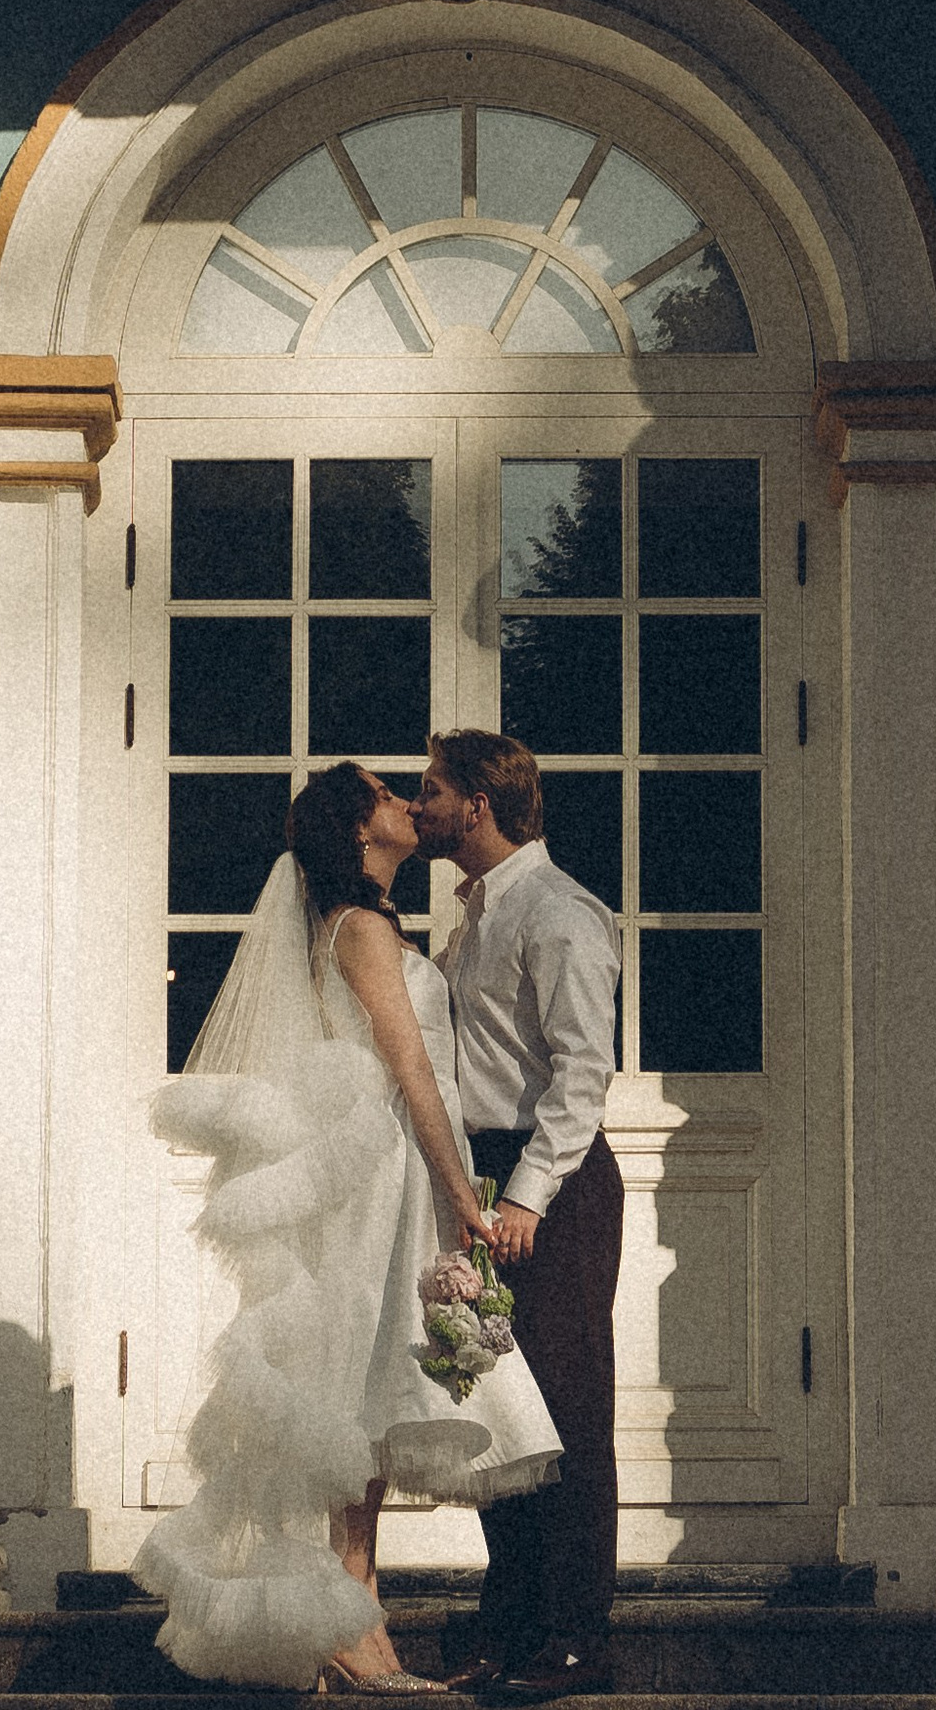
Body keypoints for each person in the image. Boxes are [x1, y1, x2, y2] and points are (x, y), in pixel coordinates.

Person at [137, 764, 560, 1693]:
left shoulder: (366, 926)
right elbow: (412, 1074)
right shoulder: (362, 930)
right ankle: (350, 1623)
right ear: (359, 830)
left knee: (365, 1403)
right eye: (386, 793)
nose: (410, 801)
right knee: (357, 1397)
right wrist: (464, 1199)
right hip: (388, 1176)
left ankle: (352, 1619)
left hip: (392, 1171)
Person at [416, 731, 622, 1705]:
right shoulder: (472, 918)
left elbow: (581, 1075)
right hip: (484, 1179)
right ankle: (508, 1631)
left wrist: (525, 1196)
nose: (420, 808)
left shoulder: (560, 913)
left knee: (568, 1416)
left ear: (478, 806)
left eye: (432, 792)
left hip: (555, 1185)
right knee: (505, 1420)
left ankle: (577, 1637)